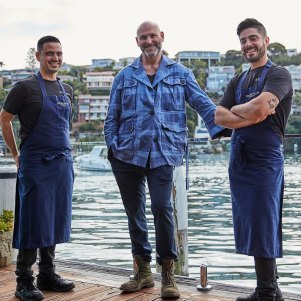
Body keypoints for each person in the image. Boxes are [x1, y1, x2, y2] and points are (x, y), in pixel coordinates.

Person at [104, 20, 226, 299]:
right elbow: (112, 117)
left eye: (152, 36)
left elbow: (202, 103)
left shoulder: (180, 73)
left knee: (162, 208)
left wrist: (221, 127)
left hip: (163, 152)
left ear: (162, 37)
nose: (149, 41)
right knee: (134, 213)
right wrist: (113, 146)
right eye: (143, 37)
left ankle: (168, 273)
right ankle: (143, 272)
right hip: (127, 155)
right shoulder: (124, 75)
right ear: (137, 41)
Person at [215, 18, 293, 301]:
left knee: (264, 221)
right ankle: (273, 290)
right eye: (243, 41)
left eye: (252, 38)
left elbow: (262, 108)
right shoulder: (238, 79)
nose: (248, 44)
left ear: (265, 40)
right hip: (240, 160)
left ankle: (265, 291)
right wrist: (247, 112)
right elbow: (218, 116)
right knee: (250, 223)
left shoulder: (280, 75)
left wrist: (240, 112)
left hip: (265, 159)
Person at [0, 36, 75, 301]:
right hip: (35, 164)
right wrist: (16, 155)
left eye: (58, 53)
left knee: (53, 218)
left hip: (62, 164)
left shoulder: (67, 89)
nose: (55, 58)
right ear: (38, 56)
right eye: (49, 53)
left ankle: (47, 274)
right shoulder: (25, 88)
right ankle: (24, 280)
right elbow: (4, 119)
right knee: (33, 220)